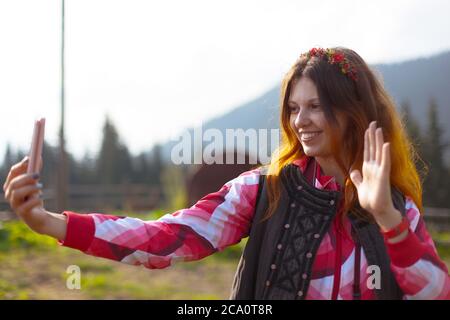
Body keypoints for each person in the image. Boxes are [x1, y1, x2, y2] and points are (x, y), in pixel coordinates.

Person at [3, 47, 450, 300]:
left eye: (315, 106)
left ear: (352, 112)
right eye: (294, 108)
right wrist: (51, 223)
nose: (301, 121)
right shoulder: (265, 190)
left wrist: (387, 219)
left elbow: (434, 293)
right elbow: (167, 239)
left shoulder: (395, 208)